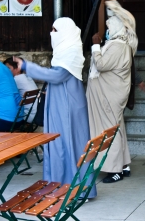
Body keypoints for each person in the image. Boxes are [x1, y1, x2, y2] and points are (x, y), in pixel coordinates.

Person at [13, 17, 97, 198]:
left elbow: (58, 76)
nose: (52, 34)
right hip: (62, 103)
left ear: (65, 32)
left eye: (55, 30)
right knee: (61, 144)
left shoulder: (71, 52)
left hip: (67, 106)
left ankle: (67, 189)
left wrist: (28, 66)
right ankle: (61, 187)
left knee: (64, 144)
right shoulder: (65, 51)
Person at [87, 0, 138, 183]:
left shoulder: (117, 46)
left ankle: (114, 169)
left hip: (109, 96)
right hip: (109, 95)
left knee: (110, 131)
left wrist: (95, 45)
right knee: (116, 129)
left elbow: (101, 64)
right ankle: (123, 165)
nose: (106, 28)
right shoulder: (120, 44)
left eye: (109, 24)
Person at [3, 57, 38, 123]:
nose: (6, 71)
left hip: (24, 116)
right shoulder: (27, 77)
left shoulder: (16, 80)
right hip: (34, 114)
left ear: (17, 69)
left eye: (8, 68)